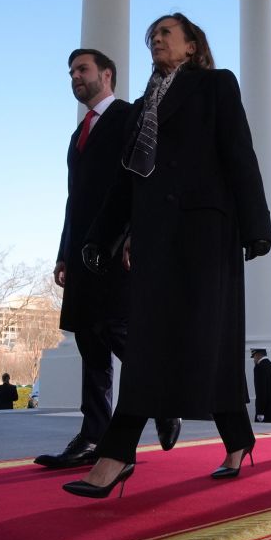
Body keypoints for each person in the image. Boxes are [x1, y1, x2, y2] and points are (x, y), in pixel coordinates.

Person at [62, 13, 271, 499]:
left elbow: (240, 153)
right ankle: (123, 453)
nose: (156, 41)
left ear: (192, 45)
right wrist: (99, 237)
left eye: (165, 34)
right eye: (151, 36)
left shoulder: (216, 85)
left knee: (207, 340)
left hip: (206, 230)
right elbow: (125, 181)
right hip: (157, 237)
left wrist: (256, 225)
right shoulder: (140, 109)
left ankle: (214, 441)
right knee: (153, 339)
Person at [36, 48, 180, 470]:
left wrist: (136, 233)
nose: (75, 78)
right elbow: (74, 199)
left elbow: (142, 180)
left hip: (117, 247)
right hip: (81, 252)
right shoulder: (77, 133)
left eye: (82, 69)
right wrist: (64, 252)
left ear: (107, 74)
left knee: (119, 331)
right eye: (70, 72)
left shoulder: (128, 117)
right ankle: (92, 433)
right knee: (89, 340)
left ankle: (163, 398)